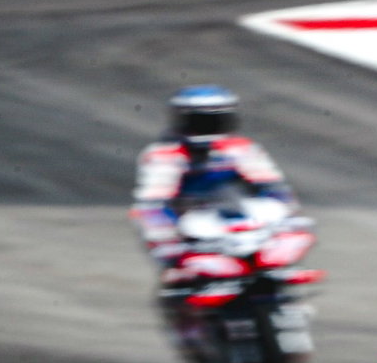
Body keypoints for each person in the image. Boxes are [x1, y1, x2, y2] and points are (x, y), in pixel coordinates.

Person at [128, 85, 300, 272]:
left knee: (287, 223)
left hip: (236, 213)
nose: (207, 128)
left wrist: (289, 218)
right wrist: (168, 237)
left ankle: (267, 265)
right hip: (188, 221)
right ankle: (189, 273)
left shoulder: (241, 148)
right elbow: (153, 203)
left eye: (214, 120)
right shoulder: (164, 154)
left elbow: (272, 186)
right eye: (200, 121)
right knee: (150, 222)